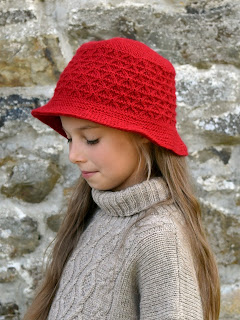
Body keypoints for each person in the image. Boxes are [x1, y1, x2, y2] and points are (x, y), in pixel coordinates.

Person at [24, 37, 220, 320]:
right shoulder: (97, 214)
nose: (73, 155)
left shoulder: (159, 236)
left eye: (90, 139)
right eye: (69, 139)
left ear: (142, 135)